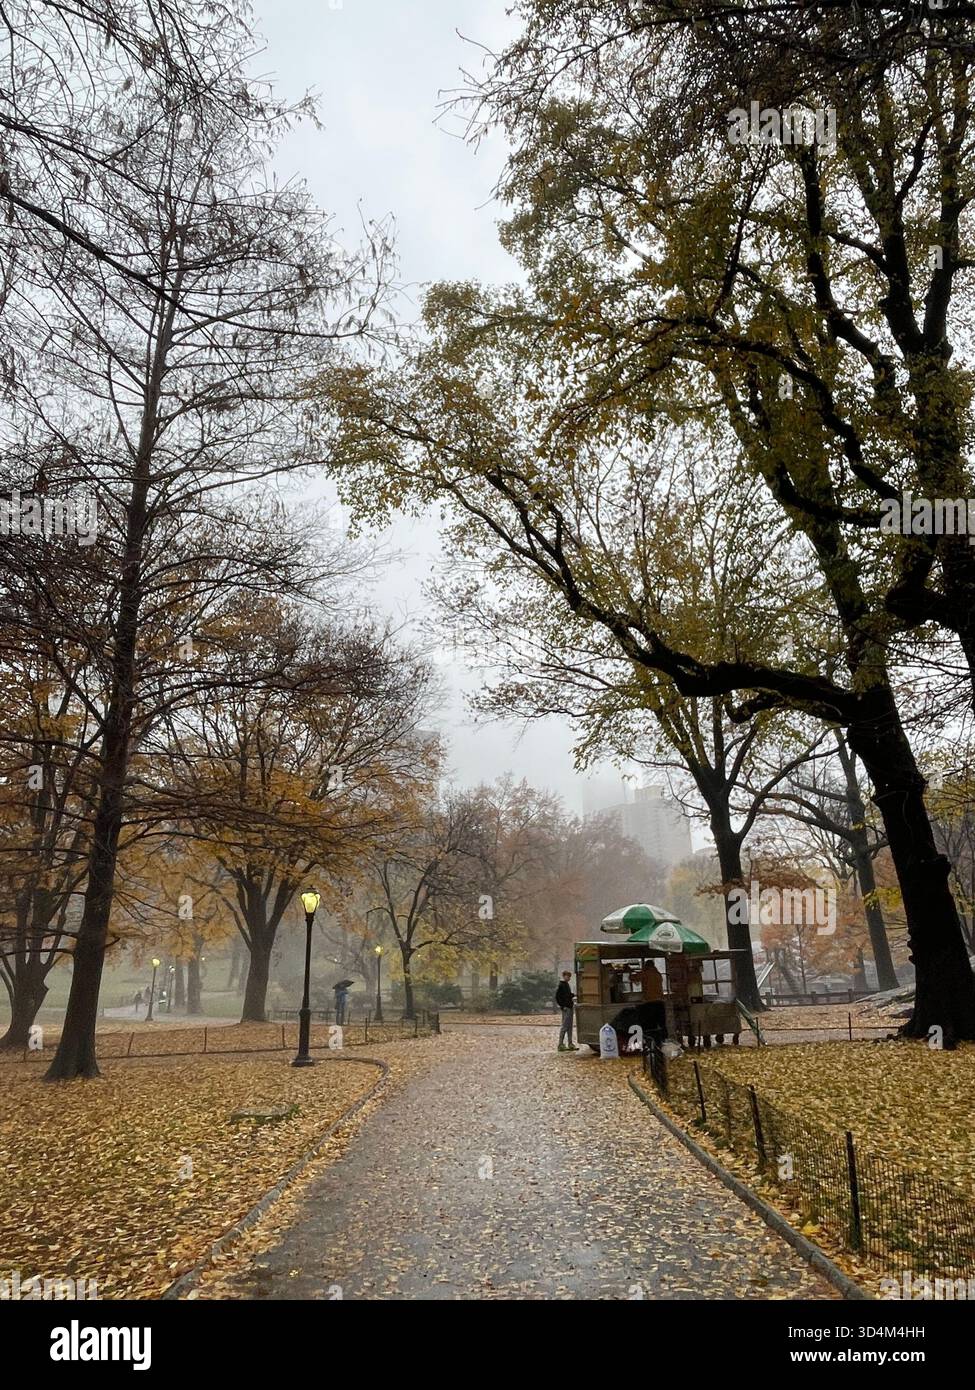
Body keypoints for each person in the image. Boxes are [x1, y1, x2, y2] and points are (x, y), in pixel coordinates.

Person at [555, 971, 577, 1051]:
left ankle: (570, 1043)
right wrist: (562, 1006)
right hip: (566, 1008)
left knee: (570, 1026)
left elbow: (567, 995)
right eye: (568, 976)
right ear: (564, 976)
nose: (569, 978)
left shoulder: (566, 985)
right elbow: (557, 997)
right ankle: (560, 1044)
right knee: (564, 1026)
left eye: (569, 976)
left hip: (570, 1007)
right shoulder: (561, 985)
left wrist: (573, 995)